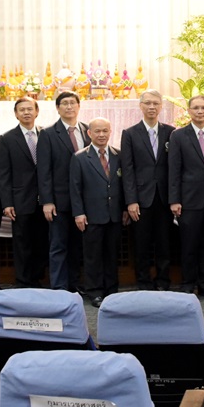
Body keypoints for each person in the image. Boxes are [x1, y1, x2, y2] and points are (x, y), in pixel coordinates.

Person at [168, 95, 204, 298]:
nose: (200, 111)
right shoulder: (178, 135)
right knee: (189, 245)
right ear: (189, 111)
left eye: (203, 108)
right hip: (189, 200)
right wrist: (174, 199)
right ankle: (187, 284)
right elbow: (174, 169)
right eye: (195, 108)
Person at [120, 89, 175, 290]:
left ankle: (163, 281)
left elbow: (175, 167)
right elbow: (127, 169)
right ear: (140, 106)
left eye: (155, 103)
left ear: (161, 107)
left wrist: (175, 198)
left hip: (164, 198)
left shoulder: (171, 132)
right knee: (141, 244)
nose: (152, 107)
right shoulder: (130, 134)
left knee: (164, 243)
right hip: (141, 199)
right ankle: (143, 282)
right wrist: (131, 201)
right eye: (148, 103)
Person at [37, 90, 89, 291]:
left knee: (78, 245)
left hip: (84, 200)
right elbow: (44, 170)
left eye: (72, 103)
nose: (69, 107)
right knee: (59, 245)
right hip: (59, 200)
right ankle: (59, 288)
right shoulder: (48, 134)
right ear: (58, 108)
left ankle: (74, 285)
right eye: (64, 103)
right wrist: (47, 201)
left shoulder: (87, 130)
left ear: (79, 106)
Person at [70, 117, 125, 307]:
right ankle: (94, 291)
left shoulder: (119, 155)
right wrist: (79, 213)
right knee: (93, 256)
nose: (101, 134)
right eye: (97, 131)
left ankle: (111, 290)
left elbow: (124, 185)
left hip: (114, 214)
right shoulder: (79, 157)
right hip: (91, 215)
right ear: (89, 133)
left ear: (110, 132)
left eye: (105, 131)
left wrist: (125, 209)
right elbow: (75, 188)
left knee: (112, 254)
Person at [0, 96, 48, 288]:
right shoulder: (7, 138)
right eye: (22, 110)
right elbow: (3, 173)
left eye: (30, 109)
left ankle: (37, 279)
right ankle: (23, 282)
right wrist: (7, 203)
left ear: (37, 112)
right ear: (16, 114)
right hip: (20, 200)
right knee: (22, 243)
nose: (26, 112)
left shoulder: (46, 134)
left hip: (45, 200)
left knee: (42, 241)